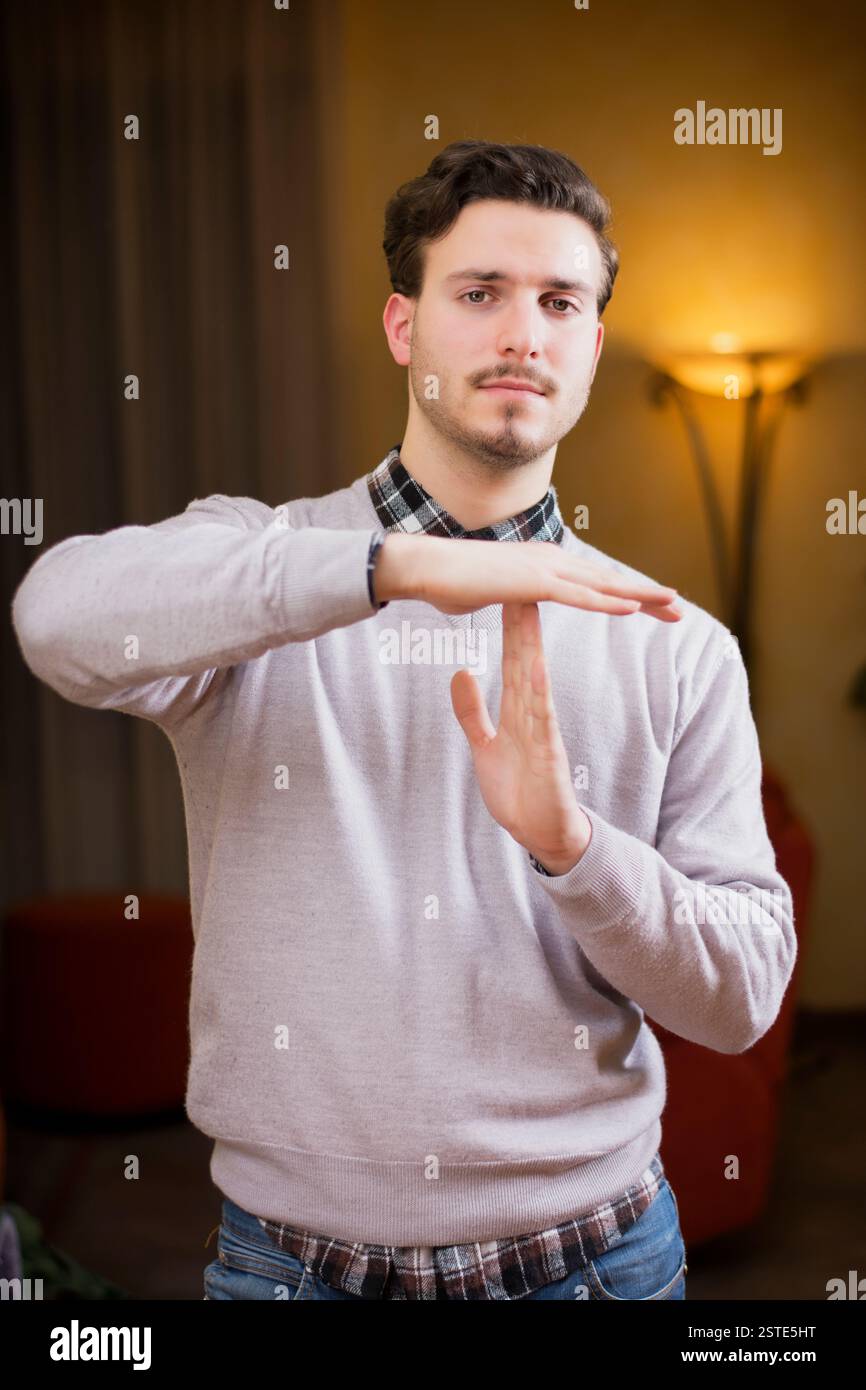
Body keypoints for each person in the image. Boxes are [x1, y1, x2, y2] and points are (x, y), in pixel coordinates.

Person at [11, 140, 796, 1301]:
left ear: (586, 344)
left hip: (595, 1267)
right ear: (402, 328)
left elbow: (736, 999)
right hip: (290, 1272)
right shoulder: (264, 574)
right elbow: (53, 615)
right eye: (477, 294)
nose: (521, 333)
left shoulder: (673, 642)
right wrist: (389, 569)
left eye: (558, 302)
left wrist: (573, 850)